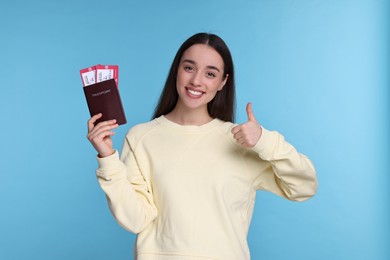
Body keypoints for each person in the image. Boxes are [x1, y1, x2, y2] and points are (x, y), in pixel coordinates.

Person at [87, 32, 317, 260]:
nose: (197, 80)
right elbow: (135, 219)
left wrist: (265, 141)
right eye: (189, 68)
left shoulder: (240, 140)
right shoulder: (141, 137)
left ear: (222, 82)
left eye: (210, 73)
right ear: (176, 70)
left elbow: (303, 187)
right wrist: (107, 157)